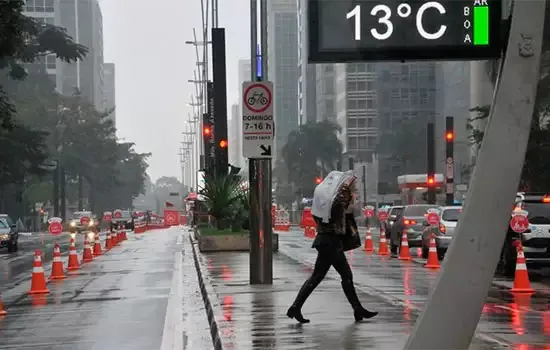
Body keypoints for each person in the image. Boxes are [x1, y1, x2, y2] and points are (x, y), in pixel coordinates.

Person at [286, 171, 378, 323]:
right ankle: (358, 309)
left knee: (317, 276)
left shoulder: (324, 204)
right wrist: (348, 202)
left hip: (324, 240)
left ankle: (295, 308)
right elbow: (341, 220)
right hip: (331, 242)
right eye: (353, 185)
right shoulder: (340, 199)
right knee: (346, 275)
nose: (355, 187)